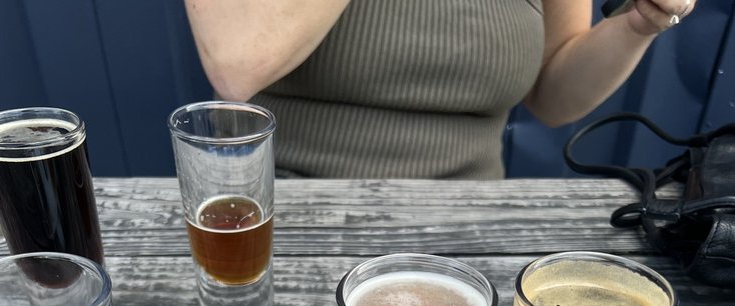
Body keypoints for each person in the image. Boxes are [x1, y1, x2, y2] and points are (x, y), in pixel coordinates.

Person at [184, 0, 699, 180]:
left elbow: (553, 97)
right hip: (282, 218)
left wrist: (638, 25)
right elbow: (237, 60)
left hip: (467, 232)